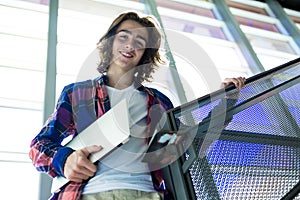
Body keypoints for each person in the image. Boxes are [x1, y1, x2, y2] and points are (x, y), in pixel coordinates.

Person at [29, 11, 245, 200]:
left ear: (146, 54)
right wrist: (64, 160)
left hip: (146, 194)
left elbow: (186, 145)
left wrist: (225, 104)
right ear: (110, 42)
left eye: (140, 42)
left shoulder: (159, 102)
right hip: (87, 193)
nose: (130, 45)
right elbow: (39, 145)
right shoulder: (77, 93)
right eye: (123, 37)